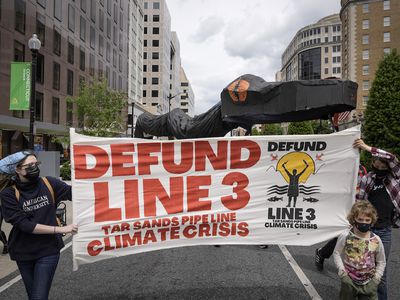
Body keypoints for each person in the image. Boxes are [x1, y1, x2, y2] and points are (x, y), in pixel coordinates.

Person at [315, 138, 400, 300]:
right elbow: (360, 202)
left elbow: (391, 157)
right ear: (373, 163)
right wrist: (352, 222)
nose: (380, 166)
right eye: (377, 163)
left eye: (383, 164)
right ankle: (352, 290)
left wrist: (366, 147)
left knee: (381, 273)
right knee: (357, 263)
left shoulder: (395, 176)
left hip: (384, 230)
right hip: (366, 228)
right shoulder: (368, 178)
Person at [0, 150, 78, 300]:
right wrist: (61, 229)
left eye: (36, 164)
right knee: (33, 295)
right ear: (18, 169)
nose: (34, 167)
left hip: (48, 250)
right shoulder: (8, 194)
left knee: (38, 297)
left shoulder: (49, 183)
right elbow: (25, 225)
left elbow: (75, 194)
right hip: (23, 252)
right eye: (29, 165)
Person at [333, 201, 385, 300]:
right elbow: (336, 253)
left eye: (367, 220)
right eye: (360, 219)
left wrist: (376, 279)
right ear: (354, 219)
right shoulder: (346, 236)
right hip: (349, 281)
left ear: (372, 221)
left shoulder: (376, 240)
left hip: (369, 282)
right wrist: (342, 273)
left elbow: (381, 261)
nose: (364, 222)